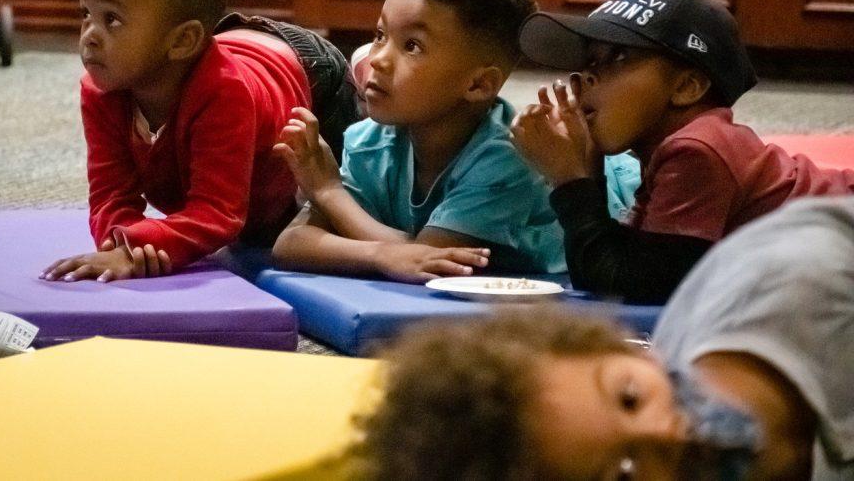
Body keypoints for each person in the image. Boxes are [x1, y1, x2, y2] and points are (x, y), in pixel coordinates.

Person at [357, 195, 854, 480]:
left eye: (631, 397)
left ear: (620, 343)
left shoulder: (813, 283)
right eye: (623, 474)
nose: (666, 434)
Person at [272, 0, 638, 283]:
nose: (378, 58)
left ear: (479, 84)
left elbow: (430, 258)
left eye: (411, 45)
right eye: (381, 34)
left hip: (621, 206)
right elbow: (292, 243)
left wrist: (329, 192)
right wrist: (381, 251)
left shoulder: (508, 158)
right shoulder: (368, 140)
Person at [41, 0, 360, 282]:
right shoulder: (102, 90)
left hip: (311, 71)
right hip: (224, 47)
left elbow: (218, 214)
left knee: (297, 228)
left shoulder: (226, 94)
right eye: (86, 12)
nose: (90, 35)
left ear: (182, 41)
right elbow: (110, 193)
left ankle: (368, 68)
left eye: (111, 20)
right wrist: (125, 246)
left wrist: (137, 250)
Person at [511, 0, 854, 303]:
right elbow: (611, 271)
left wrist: (570, 180)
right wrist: (587, 171)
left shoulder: (698, 150)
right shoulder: (670, 154)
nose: (584, 76)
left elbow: (635, 287)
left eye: (617, 57)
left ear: (686, 87)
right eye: (589, 61)